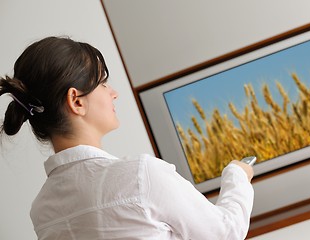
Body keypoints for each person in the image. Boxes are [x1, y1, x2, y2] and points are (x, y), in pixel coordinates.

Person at [0, 36, 254, 240]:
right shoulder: (140, 176)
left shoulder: (42, 210)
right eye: (102, 83)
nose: (114, 93)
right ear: (76, 101)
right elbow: (226, 233)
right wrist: (237, 175)